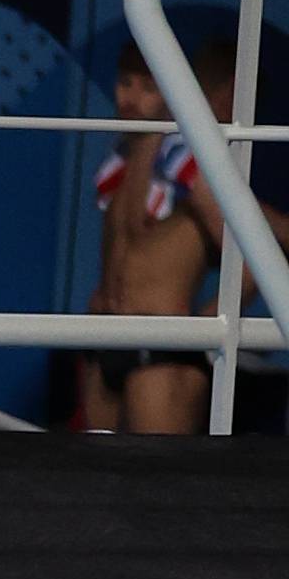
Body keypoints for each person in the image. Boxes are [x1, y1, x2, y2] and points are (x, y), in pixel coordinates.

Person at [79, 45, 225, 443]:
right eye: (125, 83)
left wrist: (217, 318)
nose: (131, 97)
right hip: (104, 339)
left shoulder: (188, 158)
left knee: (158, 488)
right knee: (91, 481)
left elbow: (246, 246)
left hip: (161, 349)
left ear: (173, 92)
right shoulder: (116, 162)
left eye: (148, 87)